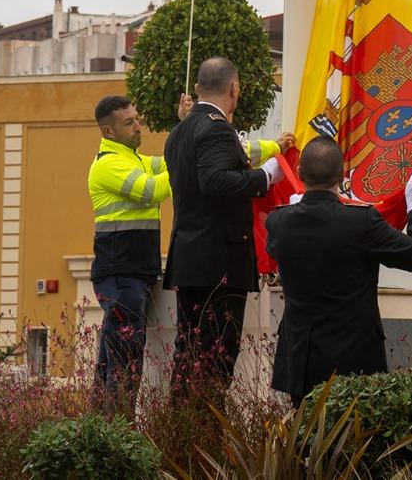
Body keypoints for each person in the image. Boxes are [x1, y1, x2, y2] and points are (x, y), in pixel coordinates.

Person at [264, 136, 412, 407]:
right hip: (355, 359)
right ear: (342, 175)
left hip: (302, 356)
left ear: (298, 173)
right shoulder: (361, 221)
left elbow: (275, 249)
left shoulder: (278, 220)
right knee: (354, 445)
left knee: (305, 444)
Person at [163, 57, 294, 397]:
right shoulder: (217, 128)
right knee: (215, 360)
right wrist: (265, 176)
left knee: (189, 356)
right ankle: (204, 440)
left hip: (190, 260)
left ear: (197, 88)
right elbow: (215, 180)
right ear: (235, 89)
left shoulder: (178, 132)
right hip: (218, 263)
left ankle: (182, 439)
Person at [88, 94, 172, 405]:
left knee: (111, 363)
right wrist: (188, 161)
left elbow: (170, 162)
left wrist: (273, 148)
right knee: (124, 366)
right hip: (122, 276)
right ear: (108, 132)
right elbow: (154, 191)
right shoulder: (108, 165)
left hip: (132, 275)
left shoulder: (135, 160)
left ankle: (101, 432)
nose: (139, 126)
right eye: (129, 122)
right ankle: (117, 435)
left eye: (137, 118)